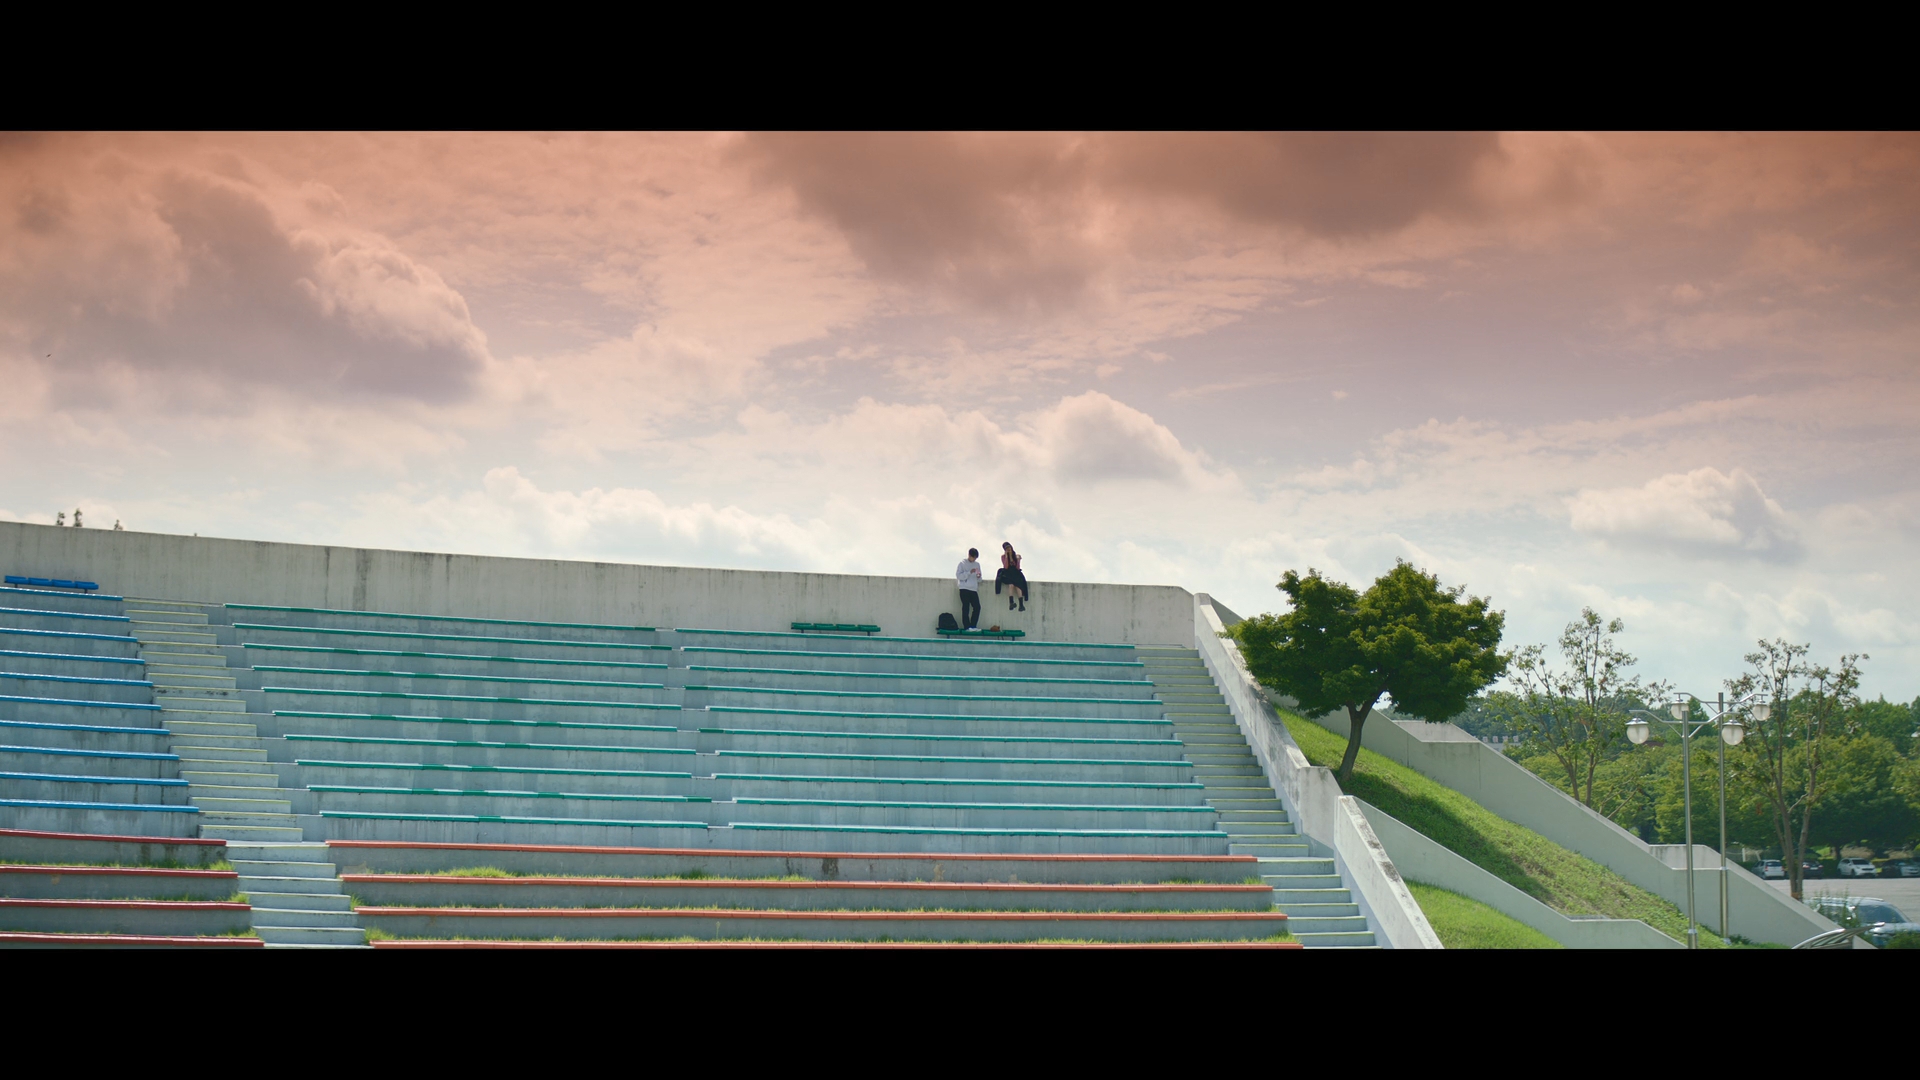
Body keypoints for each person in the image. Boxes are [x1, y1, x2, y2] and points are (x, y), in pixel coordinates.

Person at [955, 547, 983, 630]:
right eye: (973, 557)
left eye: (975, 558)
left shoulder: (977, 564)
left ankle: (973, 626)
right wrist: (969, 572)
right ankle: (967, 626)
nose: (974, 559)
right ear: (969, 555)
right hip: (964, 588)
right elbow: (959, 576)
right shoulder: (962, 563)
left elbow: (979, 579)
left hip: (973, 589)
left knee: (977, 607)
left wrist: (979, 576)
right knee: (966, 607)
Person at [996, 541, 1028, 611]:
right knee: (1011, 585)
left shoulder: (1015, 555)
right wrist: (1007, 556)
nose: (1008, 549)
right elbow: (1006, 566)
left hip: (1015, 573)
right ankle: (1011, 602)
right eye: (1007, 548)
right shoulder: (1003, 556)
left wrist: (1018, 560)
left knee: (1018, 586)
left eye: (1009, 547)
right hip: (1008, 573)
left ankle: (1021, 605)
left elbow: (1017, 568)